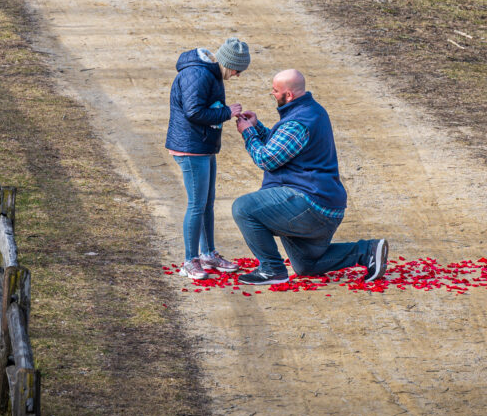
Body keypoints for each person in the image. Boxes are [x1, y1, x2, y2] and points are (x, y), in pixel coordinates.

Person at [231, 69, 389, 286]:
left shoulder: (298, 122)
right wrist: (257, 127)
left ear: (289, 95)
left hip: (309, 205)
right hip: (326, 207)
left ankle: (271, 269)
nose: (273, 94)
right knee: (306, 264)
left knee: (243, 208)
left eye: (275, 91)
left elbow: (266, 159)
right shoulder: (312, 111)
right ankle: (366, 250)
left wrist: (248, 134)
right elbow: (285, 146)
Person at [166, 38, 251, 280]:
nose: (237, 75)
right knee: (196, 205)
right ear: (228, 63)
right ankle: (190, 260)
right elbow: (193, 112)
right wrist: (227, 112)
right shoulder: (199, 75)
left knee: (207, 203)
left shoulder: (211, 74)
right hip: (191, 148)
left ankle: (208, 254)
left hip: (203, 146)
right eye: (237, 70)